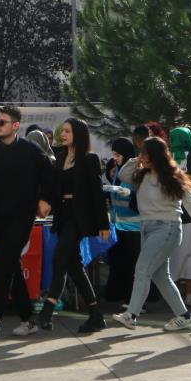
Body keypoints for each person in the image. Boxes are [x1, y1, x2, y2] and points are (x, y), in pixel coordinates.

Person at [118, 136, 191, 331]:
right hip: (147, 228)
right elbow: (122, 174)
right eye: (141, 153)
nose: (142, 158)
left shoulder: (173, 176)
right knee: (161, 276)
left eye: (146, 154)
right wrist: (136, 158)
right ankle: (184, 316)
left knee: (142, 269)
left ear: (156, 156)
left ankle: (131, 315)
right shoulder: (141, 174)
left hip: (167, 228)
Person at [0, 105, 53, 337]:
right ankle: (28, 319)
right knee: (9, 263)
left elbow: (48, 174)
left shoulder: (30, 150)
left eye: (2, 122)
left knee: (5, 259)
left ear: (15, 125)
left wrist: (44, 199)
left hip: (21, 216)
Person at [38, 118, 110, 334]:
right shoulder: (59, 158)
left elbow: (97, 193)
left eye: (68, 131)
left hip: (80, 218)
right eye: (63, 131)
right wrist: (45, 202)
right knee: (74, 266)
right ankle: (96, 316)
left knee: (60, 258)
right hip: (63, 215)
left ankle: (47, 311)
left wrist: (103, 223)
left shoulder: (89, 159)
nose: (63, 134)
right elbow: (52, 187)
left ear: (78, 134)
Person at [103, 137, 141, 305]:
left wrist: (129, 194)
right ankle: (121, 295)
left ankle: (135, 301)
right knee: (121, 262)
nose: (115, 158)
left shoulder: (135, 170)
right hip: (119, 224)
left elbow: (140, 196)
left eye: (118, 155)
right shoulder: (118, 169)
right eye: (114, 155)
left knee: (134, 264)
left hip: (135, 226)